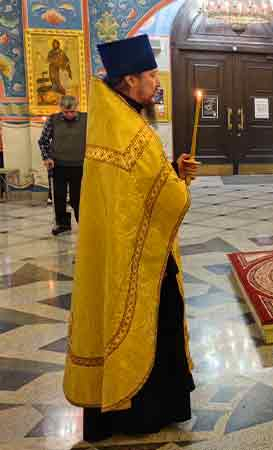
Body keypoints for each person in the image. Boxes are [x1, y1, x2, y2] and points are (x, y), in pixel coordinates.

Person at [63, 34, 200, 442]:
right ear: (129, 80)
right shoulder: (130, 130)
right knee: (159, 318)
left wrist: (172, 171)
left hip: (128, 247)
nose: (156, 82)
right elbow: (161, 195)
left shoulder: (116, 120)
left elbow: (137, 187)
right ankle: (144, 414)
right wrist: (178, 185)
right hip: (140, 259)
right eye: (151, 75)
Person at [39, 95, 86, 235]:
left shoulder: (86, 119)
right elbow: (43, 141)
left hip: (79, 165)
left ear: (77, 108)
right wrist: (47, 157)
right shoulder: (53, 120)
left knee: (77, 198)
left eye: (72, 112)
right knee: (59, 197)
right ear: (61, 109)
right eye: (66, 112)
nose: (69, 114)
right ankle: (63, 224)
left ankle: (83, 224)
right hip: (58, 165)